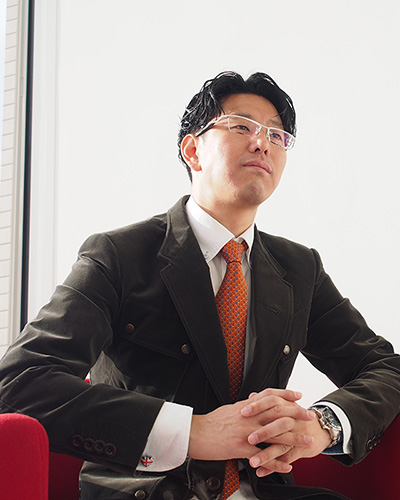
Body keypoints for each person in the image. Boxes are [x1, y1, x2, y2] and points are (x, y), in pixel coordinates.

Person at [0, 71, 399, 500]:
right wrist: (192, 432)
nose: (262, 143)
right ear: (193, 150)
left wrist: (323, 425)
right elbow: (21, 382)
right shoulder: (118, 254)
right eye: (241, 126)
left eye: (277, 135)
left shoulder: (300, 268)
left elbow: (385, 368)